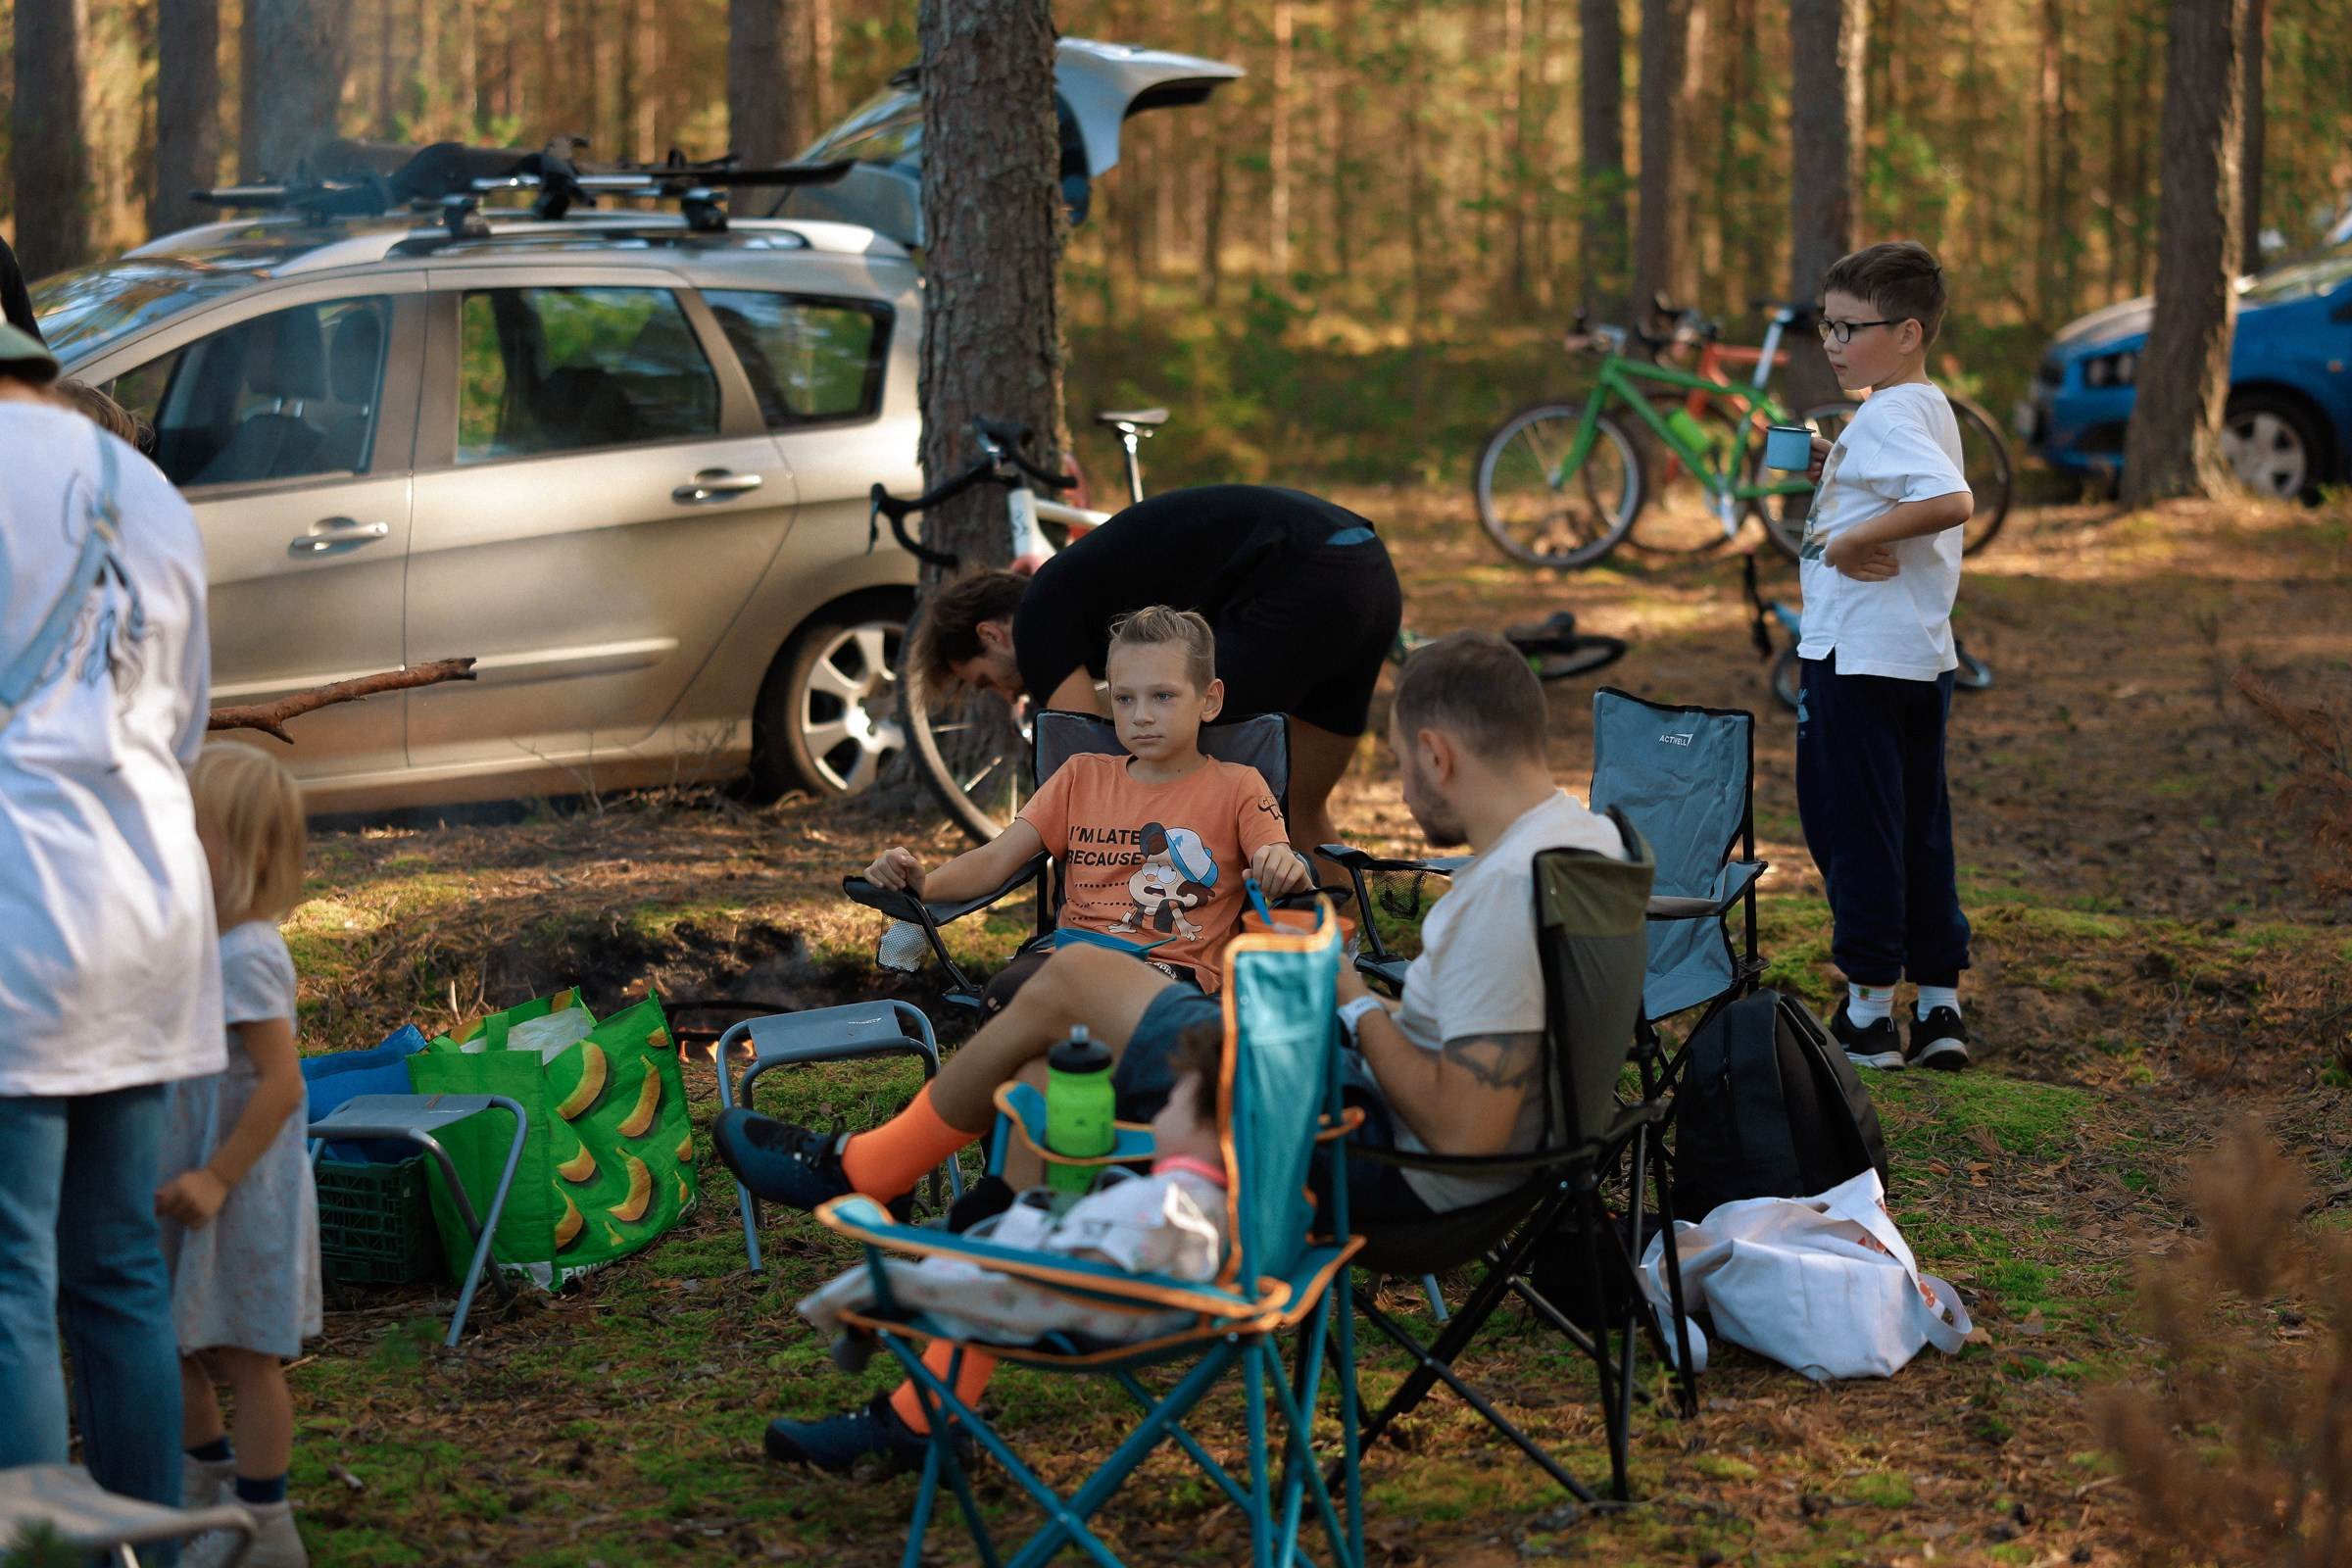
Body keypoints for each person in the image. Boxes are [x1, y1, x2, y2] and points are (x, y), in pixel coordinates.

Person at [732, 630, 1622, 1472]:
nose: (1403, 785)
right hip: (1395, 1134)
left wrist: (1351, 1002)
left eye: (1397, 762)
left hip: (1385, 1167)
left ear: (1438, 754)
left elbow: (1464, 1132)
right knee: (1048, 1084)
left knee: (1077, 981)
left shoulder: (1501, 895)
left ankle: (868, 1171)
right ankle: (924, 1409)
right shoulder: (1587, 844)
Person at [0, 323, 220, 1512]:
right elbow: (181, 727)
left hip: (16, 919)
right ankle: (150, 1543)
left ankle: (36, 1547)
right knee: (121, 1271)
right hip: (146, 915)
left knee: (9, 1286)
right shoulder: (143, 487)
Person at [909, 484, 1404, 874]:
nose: (1005, 695)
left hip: (1305, 580)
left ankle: (1194, 948)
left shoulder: (1036, 616)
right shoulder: (1074, 589)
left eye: (984, 681)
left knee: (1186, 769)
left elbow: (1086, 758)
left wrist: (1057, 872)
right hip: (1366, 568)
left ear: (992, 634)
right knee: (1297, 807)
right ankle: (1345, 952)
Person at [860, 604, 1311, 1011]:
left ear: (1209, 700)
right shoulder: (1080, 776)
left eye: (1163, 696)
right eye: (1124, 698)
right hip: (1065, 958)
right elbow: (996, 859)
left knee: (1079, 1013)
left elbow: (1279, 862)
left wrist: (1281, 865)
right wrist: (923, 883)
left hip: (1172, 970)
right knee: (1006, 997)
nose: (1141, 716)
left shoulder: (1238, 786)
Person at [1791, 240, 1975, 1073]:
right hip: (1916, 658)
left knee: (1853, 829)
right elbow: (1913, 482)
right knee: (1917, 827)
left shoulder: (1892, 413)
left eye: (1849, 328)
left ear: (1907, 331)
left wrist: (1853, 534)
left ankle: (1868, 1015)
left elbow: (1948, 499)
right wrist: (1843, 473)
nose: (1831, 343)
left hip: (1856, 660)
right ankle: (1939, 1003)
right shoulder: (1917, 405)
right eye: (1824, 326)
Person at [797, 1022, 1228, 1361]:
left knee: (898, 1275)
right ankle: (882, 1312)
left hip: (1055, 1304)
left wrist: (1037, 1262)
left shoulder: (1169, 1200)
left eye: (1173, 1104)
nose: (1162, 1113)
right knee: (970, 1245)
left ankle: (839, 1313)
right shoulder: (1223, 1202)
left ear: (1203, 1125)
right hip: (1142, 1311)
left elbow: (1097, 1266)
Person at [162, 745, 320, 1568]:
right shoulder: (200, 947)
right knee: (173, 1340)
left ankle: (266, 1524)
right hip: (189, 1184)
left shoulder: (251, 951)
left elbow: (283, 1084)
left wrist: (219, 1175)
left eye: (195, 837)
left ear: (252, 856)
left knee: (246, 1355)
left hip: (243, 1190)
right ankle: (206, 1485)